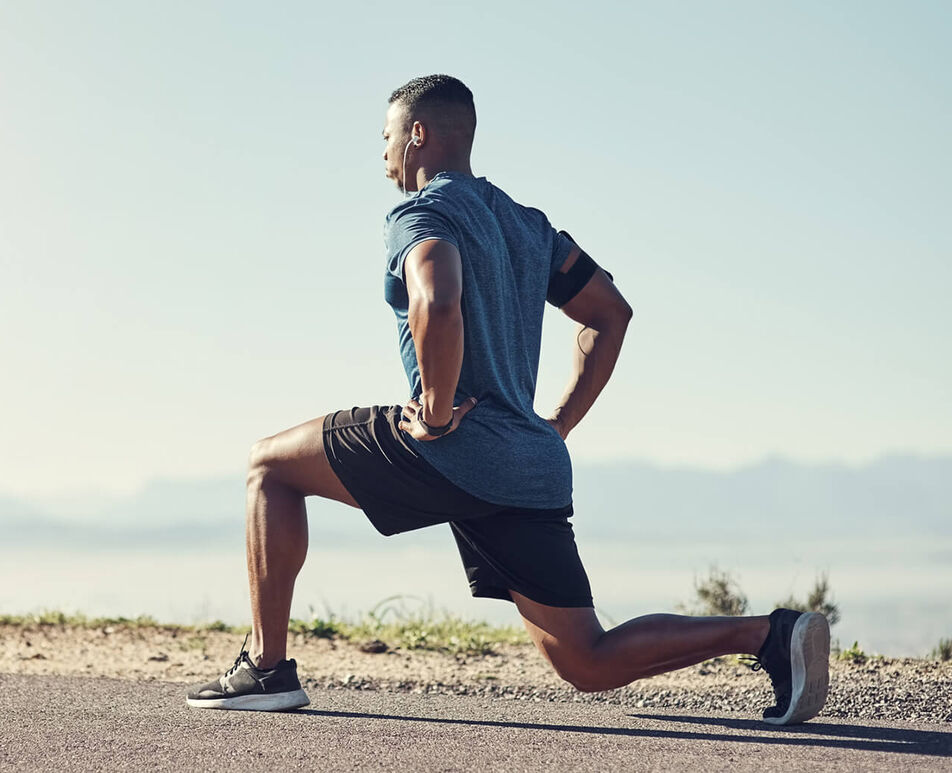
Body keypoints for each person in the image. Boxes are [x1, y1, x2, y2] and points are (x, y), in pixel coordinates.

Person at [185, 74, 830, 725]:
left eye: (385, 139)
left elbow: (436, 298)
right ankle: (771, 636)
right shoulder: (529, 226)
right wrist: (557, 425)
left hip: (448, 446)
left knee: (269, 465)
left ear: (418, 134)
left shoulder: (422, 213)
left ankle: (266, 668)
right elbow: (611, 312)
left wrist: (435, 411)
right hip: (526, 464)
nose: (383, 159)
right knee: (587, 659)